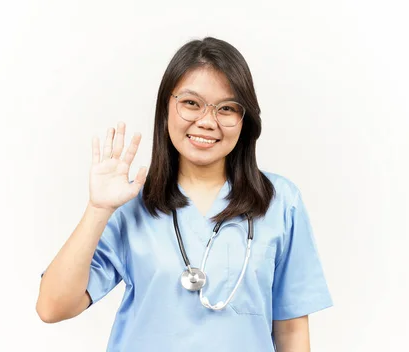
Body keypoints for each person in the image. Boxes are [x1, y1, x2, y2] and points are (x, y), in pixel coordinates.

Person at [36, 37, 333, 351]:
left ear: (244, 120)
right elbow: (52, 307)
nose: (207, 121)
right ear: (167, 107)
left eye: (227, 108)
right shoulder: (131, 202)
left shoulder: (280, 202)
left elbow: (291, 332)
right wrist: (98, 208)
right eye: (191, 103)